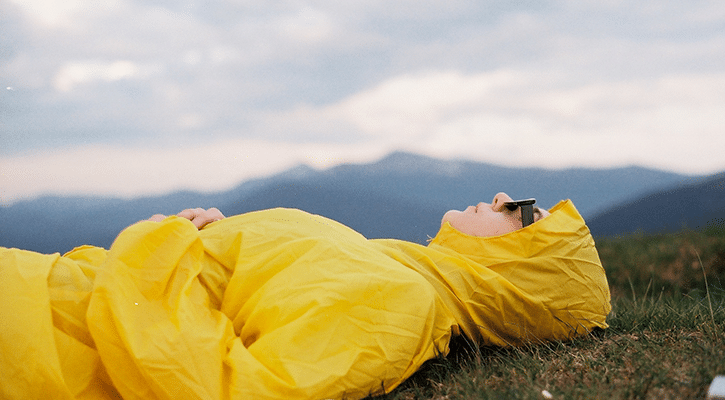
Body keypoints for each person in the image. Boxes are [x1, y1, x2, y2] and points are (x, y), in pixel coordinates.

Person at [0, 192, 611, 400]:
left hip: (41, 332)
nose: (502, 197)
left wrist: (162, 253)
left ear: (523, 273)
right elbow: (263, 287)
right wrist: (221, 240)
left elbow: (232, 390)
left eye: (523, 215)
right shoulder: (397, 268)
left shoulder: (402, 300)